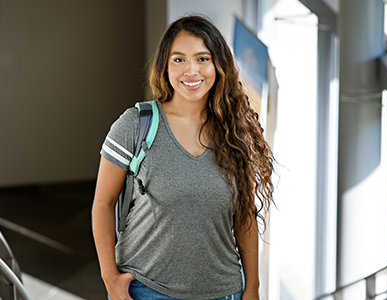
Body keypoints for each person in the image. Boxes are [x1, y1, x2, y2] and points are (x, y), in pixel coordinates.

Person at [92, 15, 275, 300]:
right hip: (145, 289)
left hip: (223, 292)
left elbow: (245, 215)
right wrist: (110, 279)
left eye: (203, 58)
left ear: (219, 66)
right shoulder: (135, 125)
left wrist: (252, 287)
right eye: (179, 60)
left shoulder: (236, 133)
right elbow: (103, 204)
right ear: (165, 66)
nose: (191, 71)